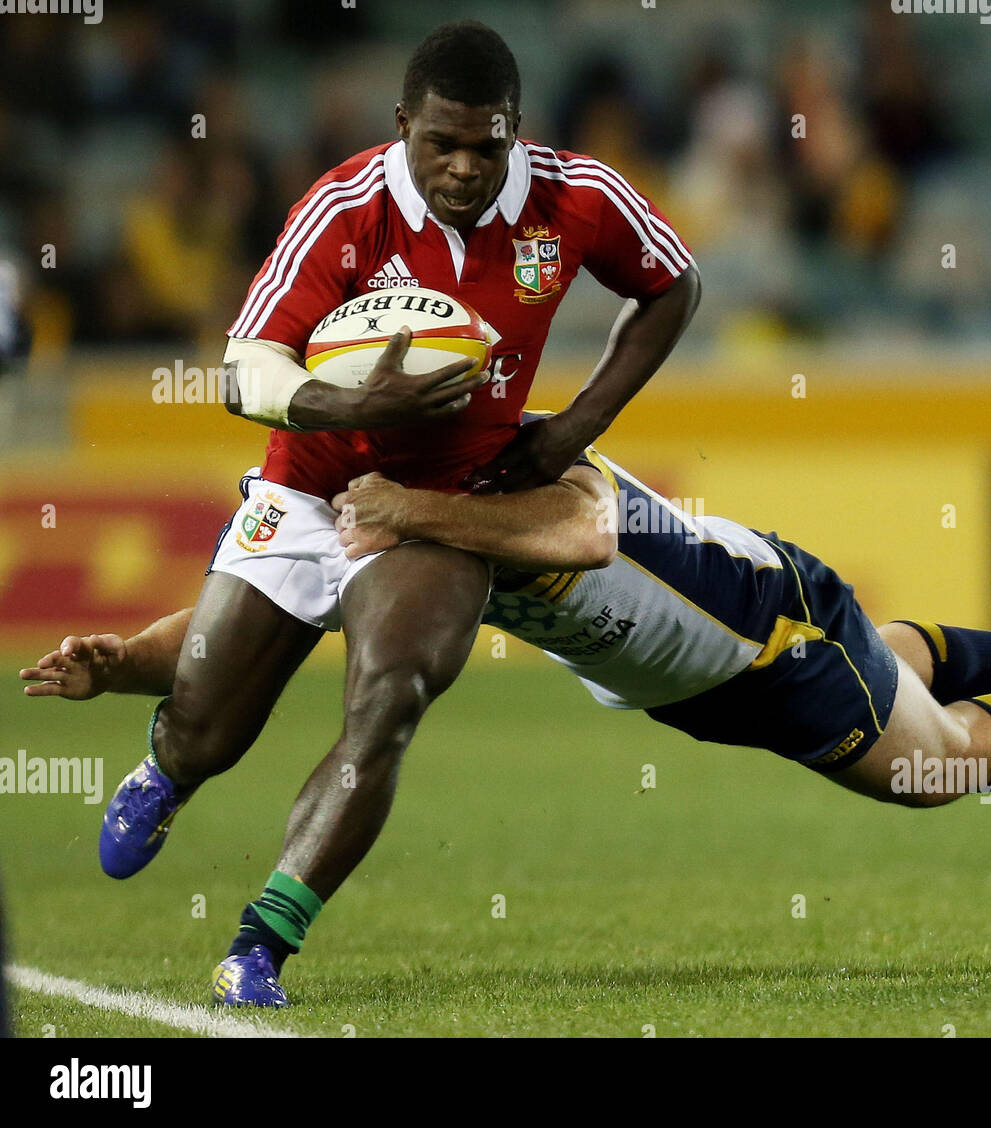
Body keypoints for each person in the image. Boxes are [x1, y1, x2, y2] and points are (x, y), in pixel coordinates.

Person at [21, 426, 991, 1006]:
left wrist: (412, 509)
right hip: (704, 667)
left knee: (926, 765)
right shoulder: (384, 503)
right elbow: (265, 620)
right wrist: (124, 659)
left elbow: (584, 532)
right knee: (887, 671)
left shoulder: (526, 458)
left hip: (760, 642)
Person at [88, 21, 699, 1005]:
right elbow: (245, 371)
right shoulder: (343, 210)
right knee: (209, 727)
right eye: (440, 144)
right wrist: (358, 405)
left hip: (445, 503)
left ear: (516, 133)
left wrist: (576, 424)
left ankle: (260, 944)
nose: (463, 168)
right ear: (402, 124)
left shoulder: (577, 197)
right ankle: (168, 768)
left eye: (486, 147)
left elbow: (675, 283)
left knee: (392, 693)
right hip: (308, 486)